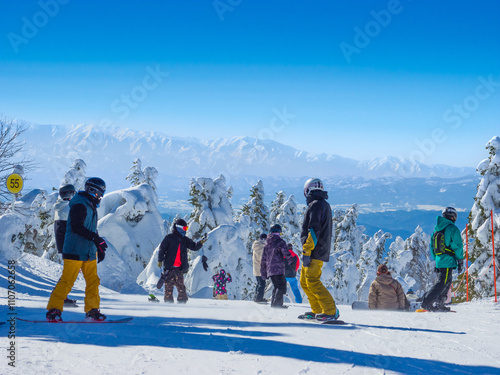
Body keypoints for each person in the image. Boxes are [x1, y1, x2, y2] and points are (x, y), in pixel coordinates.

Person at [46, 178, 108, 322]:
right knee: (67, 281)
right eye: (100, 194)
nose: (101, 197)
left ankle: (92, 310)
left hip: (88, 252)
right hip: (74, 250)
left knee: (93, 281)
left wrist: (99, 245)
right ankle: (53, 309)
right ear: (92, 191)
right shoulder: (80, 204)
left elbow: (91, 228)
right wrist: (95, 239)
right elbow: (76, 227)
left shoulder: (90, 204)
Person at [299, 178, 339, 322]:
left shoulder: (316, 205)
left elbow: (314, 231)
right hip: (315, 250)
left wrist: (307, 251)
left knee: (312, 281)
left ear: (307, 191)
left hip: (314, 251)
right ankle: (317, 310)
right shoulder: (323, 204)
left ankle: (330, 311)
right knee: (304, 282)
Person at [421, 207, 464, 312]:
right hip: (448, 260)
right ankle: (426, 302)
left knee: (447, 282)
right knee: (442, 283)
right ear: (453, 217)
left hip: (440, 260)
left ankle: (440, 304)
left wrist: (437, 260)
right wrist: (460, 260)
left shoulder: (437, 229)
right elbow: (457, 246)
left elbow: (433, 247)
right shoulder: (452, 229)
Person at [157, 218, 208, 303]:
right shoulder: (169, 238)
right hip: (169, 269)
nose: (186, 230)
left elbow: (194, 247)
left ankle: (182, 306)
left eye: (186, 229)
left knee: (182, 289)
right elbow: (162, 249)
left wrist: (201, 242)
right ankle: (168, 306)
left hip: (179, 269)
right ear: (179, 228)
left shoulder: (185, 240)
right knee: (168, 290)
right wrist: (160, 260)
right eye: (185, 228)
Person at [53, 184, 78, 307]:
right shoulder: (68, 208)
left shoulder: (60, 207)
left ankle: (62, 295)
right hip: (69, 245)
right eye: (74, 193)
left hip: (63, 246)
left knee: (69, 271)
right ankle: (59, 296)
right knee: (70, 272)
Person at [260, 224, 293, 308]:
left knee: (276, 286)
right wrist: (291, 261)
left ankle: (274, 304)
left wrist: (263, 272)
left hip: (270, 270)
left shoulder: (267, 244)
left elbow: (263, 259)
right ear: (279, 232)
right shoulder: (280, 242)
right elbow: (286, 252)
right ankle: (277, 305)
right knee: (281, 286)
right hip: (278, 268)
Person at [252, 233, 267, 303]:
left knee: (259, 283)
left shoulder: (257, 246)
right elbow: (262, 259)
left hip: (257, 269)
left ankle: (256, 297)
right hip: (260, 269)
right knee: (262, 284)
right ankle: (259, 298)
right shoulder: (261, 248)